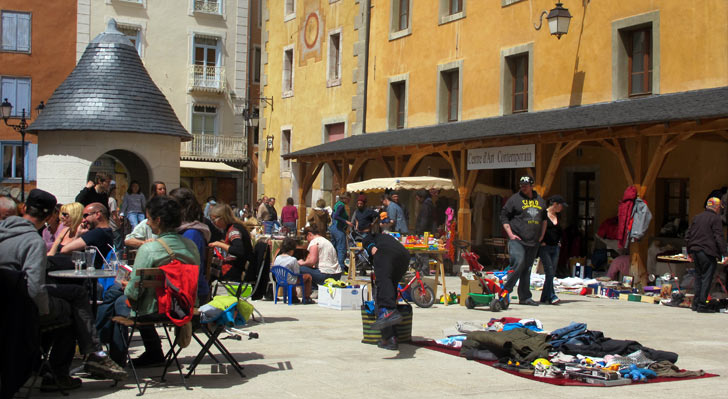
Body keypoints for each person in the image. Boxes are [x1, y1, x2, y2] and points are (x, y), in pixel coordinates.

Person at [0, 189, 126, 391]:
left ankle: (79, 359)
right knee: (70, 312)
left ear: (24, 209)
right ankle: (72, 365)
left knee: (73, 300)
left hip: (7, 301)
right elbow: (34, 287)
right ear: (50, 216)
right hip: (19, 308)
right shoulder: (32, 241)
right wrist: (43, 310)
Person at [107, 196, 201, 367]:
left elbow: (134, 293)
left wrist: (127, 287)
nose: (147, 223)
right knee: (117, 298)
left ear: (158, 220)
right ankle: (152, 352)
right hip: (184, 305)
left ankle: (115, 358)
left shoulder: (149, 249)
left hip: (155, 309)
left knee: (117, 301)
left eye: (149, 219)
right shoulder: (191, 246)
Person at [499, 176, 547, 307]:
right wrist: (510, 234)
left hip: (533, 241)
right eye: (521, 185)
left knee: (527, 269)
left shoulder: (540, 201)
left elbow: (544, 219)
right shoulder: (514, 199)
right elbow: (503, 216)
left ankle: (525, 297)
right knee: (518, 264)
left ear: (532, 185)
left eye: (525, 185)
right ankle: (504, 293)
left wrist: (542, 235)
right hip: (517, 240)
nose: (523, 187)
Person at [361, 231, 410, 350]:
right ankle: (392, 335)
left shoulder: (368, 238)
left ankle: (388, 338)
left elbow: (373, 250)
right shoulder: (386, 237)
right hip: (403, 257)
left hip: (387, 257)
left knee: (381, 295)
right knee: (390, 288)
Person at [170, 187, 211, 303]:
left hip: (191, 293)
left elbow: (189, 270)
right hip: (182, 288)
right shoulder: (182, 230)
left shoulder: (192, 233)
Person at [686, 197, 727, 313]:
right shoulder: (715, 219)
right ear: (717, 207)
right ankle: (702, 305)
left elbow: (688, 235)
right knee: (706, 278)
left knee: (699, 277)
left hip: (696, 252)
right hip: (707, 252)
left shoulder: (697, 217)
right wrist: (725, 254)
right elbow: (718, 237)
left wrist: (689, 252)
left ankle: (696, 304)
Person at [60, 202, 114, 268]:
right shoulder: (108, 231)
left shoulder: (97, 233)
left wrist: (78, 234)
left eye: (85, 216)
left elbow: (65, 250)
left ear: (97, 214)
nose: (83, 220)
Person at [208, 203, 254, 281]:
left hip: (238, 270)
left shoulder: (234, 230)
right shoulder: (232, 227)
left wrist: (219, 244)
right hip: (238, 266)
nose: (214, 223)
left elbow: (238, 250)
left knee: (208, 270)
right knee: (211, 264)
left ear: (223, 218)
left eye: (214, 220)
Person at [539, 195, 567, 305]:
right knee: (549, 271)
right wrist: (541, 241)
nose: (562, 208)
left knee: (551, 273)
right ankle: (552, 295)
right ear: (554, 204)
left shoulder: (558, 216)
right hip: (545, 247)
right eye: (560, 205)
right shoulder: (543, 214)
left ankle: (545, 297)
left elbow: (560, 231)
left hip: (555, 247)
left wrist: (559, 241)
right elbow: (539, 228)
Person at [273, 237, 312, 303]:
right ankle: (306, 297)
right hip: (290, 280)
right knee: (307, 277)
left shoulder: (277, 258)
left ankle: (293, 297)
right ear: (292, 250)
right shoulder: (292, 259)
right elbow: (297, 272)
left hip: (279, 279)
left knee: (291, 277)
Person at [329, 192, 352, 272]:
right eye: (349, 199)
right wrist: (346, 221)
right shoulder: (341, 205)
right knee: (341, 248)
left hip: (333, 227)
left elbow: (332, 215)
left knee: (333, 248)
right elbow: (336, 216)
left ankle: (332, 266)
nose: (349, 201)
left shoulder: (336, 204)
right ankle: (341, 268)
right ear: (345, 199)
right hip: (338, 229)